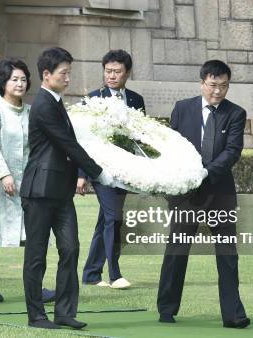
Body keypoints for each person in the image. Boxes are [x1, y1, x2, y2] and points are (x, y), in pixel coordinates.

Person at [20, 47, 114, 330]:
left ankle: (64, 312)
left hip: (60, 191)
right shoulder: (44, 104)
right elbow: (68, 144)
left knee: (70, 248)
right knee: (36, 255)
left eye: (69, 72)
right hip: (39, 190)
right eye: (64, 73)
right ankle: (37, 316)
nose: (68, 78)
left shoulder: (57, 101)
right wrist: (99, 172)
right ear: (46, 75)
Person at [156, 60, 250, 328]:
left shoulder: (236, 113)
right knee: (177, 250)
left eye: (223, 86)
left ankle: (233, 315)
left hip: (219, 192)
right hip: (185, 194)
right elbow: (170, 147)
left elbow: (232, 151)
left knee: (227, 254)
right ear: (202, 83)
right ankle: (166, 308)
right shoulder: (183, 109)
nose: (218, 92)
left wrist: (205, 173)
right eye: (213, 85)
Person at [0, 58, 54, 303]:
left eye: (23, 79)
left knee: (35, 234)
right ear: (3, 82)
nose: (19, 83)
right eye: (14, 79)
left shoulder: (31, 111)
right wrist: (4, 174)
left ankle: (35, 287)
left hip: (29, 180)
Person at [78, 49, 146, 289]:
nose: (112, 76)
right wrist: (82, 175)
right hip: (100, 169)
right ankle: (115, 274)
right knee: (114, 218)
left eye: (117, 71)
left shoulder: (136, 100)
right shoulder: (92, 99)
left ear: (127, 73)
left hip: (125, 170)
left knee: (106, 220)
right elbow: (82, 140)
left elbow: (140, 138)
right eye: (108, 71)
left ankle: (91, 274)